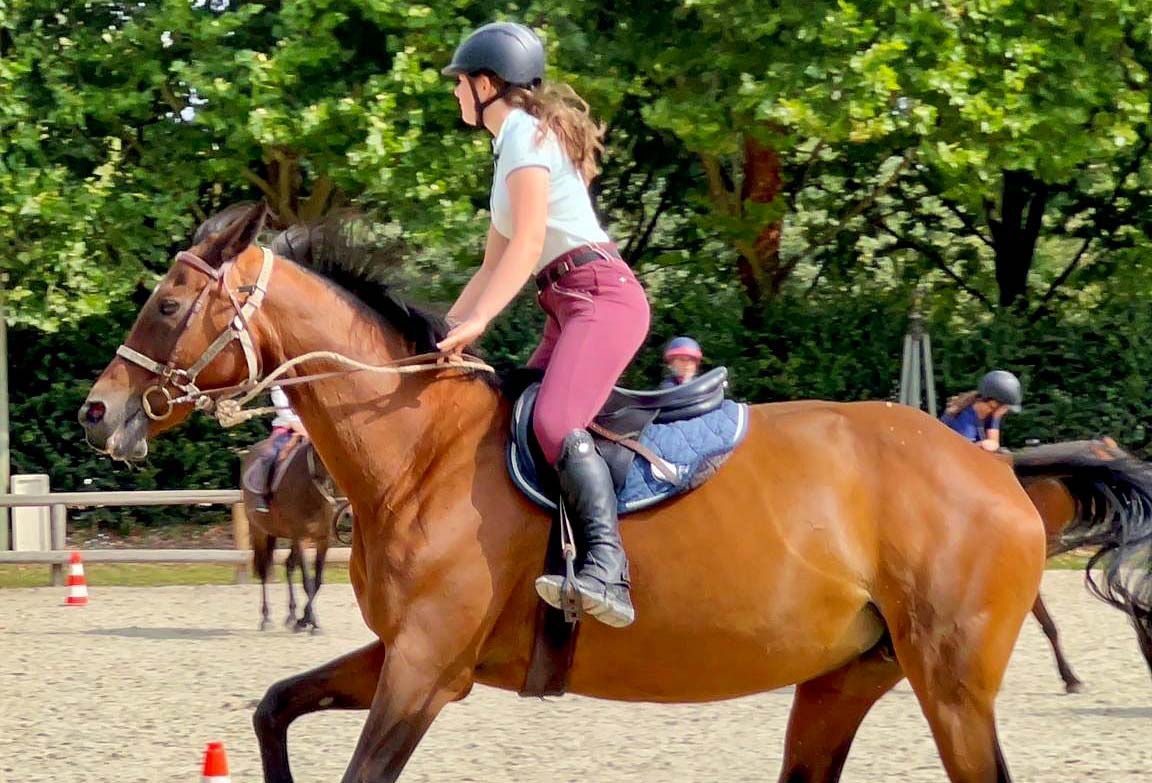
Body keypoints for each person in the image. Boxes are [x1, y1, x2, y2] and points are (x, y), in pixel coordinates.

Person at [436, 21, 650, 627]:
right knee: (517, 416)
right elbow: (492, 263)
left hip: (601, 297)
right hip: (566, 302)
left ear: (486, 84)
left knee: (556, 421)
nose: (455, 93)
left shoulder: (526, 137)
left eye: (459, 83)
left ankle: (608, 569)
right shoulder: (510, 147)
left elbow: (528, 244)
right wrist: (439, 339)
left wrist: (476, 322)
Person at [253, 385, 308, 513]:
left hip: (311, 426)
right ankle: (263, 494)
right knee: (271, 455)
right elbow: (283, 411)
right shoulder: (278, 387)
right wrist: (301, 429)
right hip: (286, 428)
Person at [939, 370, 1023, 452]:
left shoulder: (992, 415)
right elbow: (963, 453)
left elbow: (994, 444)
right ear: (993, 403)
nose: (1005, 411)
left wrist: (995, 419)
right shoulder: (965, 420)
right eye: (1005, 407)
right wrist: (980, 445)